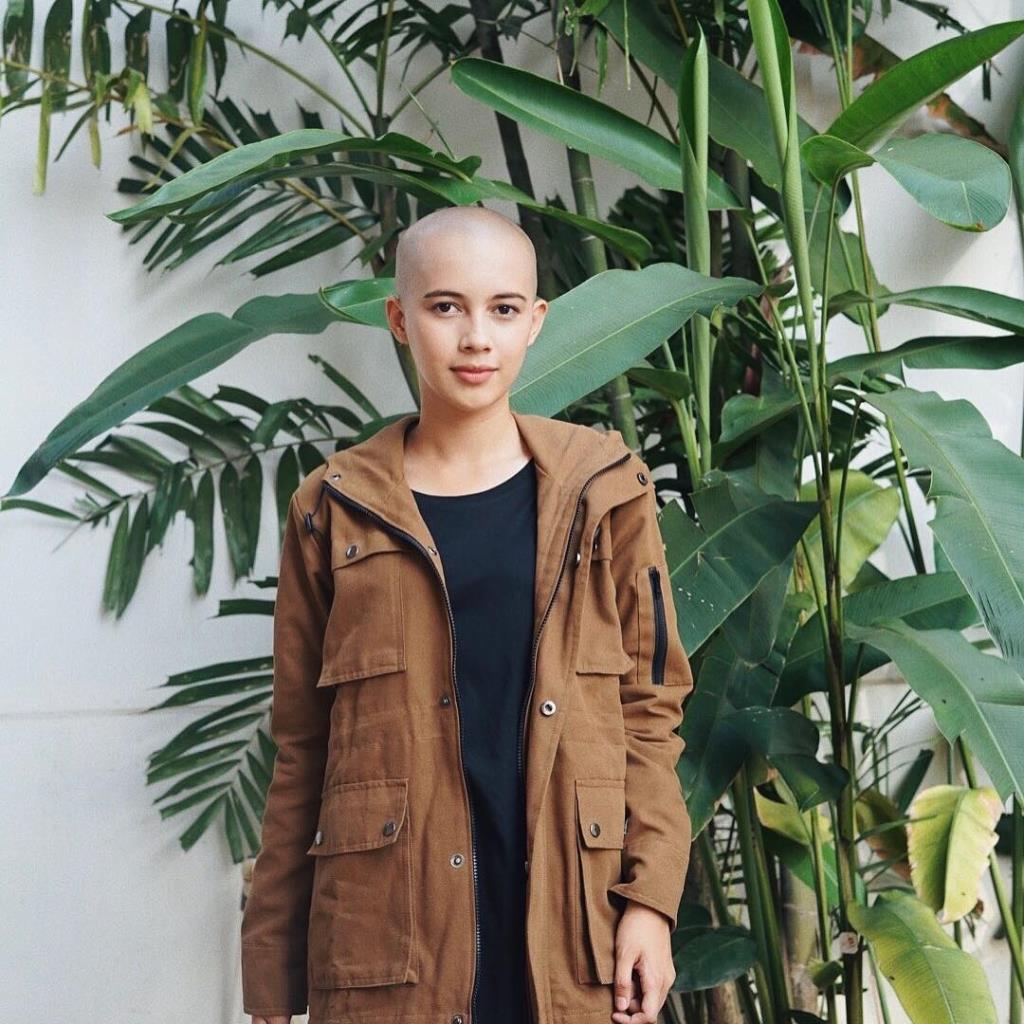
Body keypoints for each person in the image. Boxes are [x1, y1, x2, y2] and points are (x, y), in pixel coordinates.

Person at [241, 206, 694, 1024]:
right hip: (389, 946)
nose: (476, 338)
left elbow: (650, 713)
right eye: (446, 307)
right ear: (399, 319)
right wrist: (271, 967)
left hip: (574, 930)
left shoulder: (606, 493)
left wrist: (651, 902)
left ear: (536, 322)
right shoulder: (334, 507)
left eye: (503, 309)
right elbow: (302, 748)